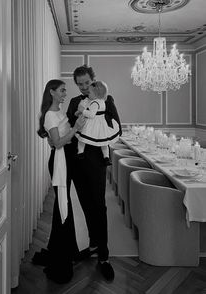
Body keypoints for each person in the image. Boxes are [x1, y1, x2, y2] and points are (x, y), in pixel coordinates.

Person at [66, 65, 122, 281]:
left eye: (86, 83)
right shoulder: (74, 102)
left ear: (93, 80)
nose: (83, 87)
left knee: (99, 205)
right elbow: (71, 129)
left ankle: (104, 256)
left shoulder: (107, 99)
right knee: (86, 204)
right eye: (79, 84)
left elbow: (117, 126)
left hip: (97, 161)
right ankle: (92, 244)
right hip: (78, 161)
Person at [35, 79, 85, 284]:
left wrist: (74, 120)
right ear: (52, 92)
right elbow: (56, 143)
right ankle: (61, 255)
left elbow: (59, 134)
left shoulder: (58, 112)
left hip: (67, 160)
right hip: (59, 161)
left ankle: (62, 249)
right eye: (62, 90)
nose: (65, 93)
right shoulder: (49, 114)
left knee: (62, 204)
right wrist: (76, 129)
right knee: (62, 203)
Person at [75, 80, 120, 166]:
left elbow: (91, 115)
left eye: (90, 92)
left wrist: (82, 110)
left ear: (96, 94)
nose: (88, 94)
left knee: (82, 138)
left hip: (93, 123)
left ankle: (80, 152)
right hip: (101, 123)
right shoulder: (102, 102)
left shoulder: (95, 103)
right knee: (104, 143)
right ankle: (106, 157)